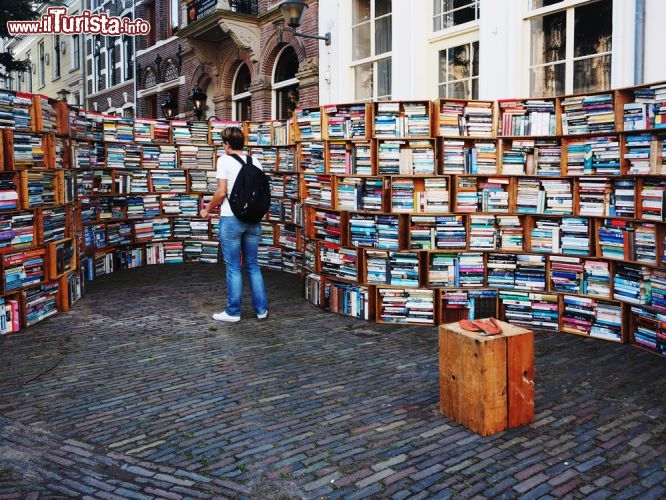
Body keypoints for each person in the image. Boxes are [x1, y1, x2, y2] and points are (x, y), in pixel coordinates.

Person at [200, 127, 268, 322]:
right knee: (253, 265)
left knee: (233, 267)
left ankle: (233, 312)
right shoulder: (254, 161)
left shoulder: (223, 160)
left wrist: (207, 209)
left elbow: (221, 192)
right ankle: (261, 310)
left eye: (223, 142)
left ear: (227, 144)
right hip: (253, 220)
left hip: (232, 219)